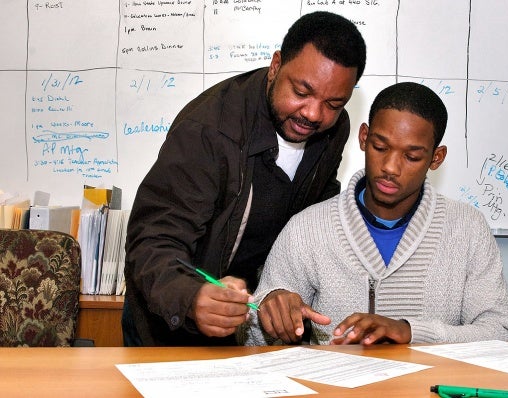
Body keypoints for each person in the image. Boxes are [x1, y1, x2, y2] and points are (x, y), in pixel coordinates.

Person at [123, 11, 367, 346]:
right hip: (170, 321)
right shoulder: (209, 131)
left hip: (249, 323)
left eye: (333, 103)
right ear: (276, 65)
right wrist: (193, 297)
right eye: (301, 91)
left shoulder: (334, 128)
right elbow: (153, 240)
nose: (313, 113)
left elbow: (310, 220)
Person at [239, 82, 508, 346]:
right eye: (380, 147)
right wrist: (268, 315)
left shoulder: (468, 229)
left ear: (436, 158)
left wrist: (410, 332)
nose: (390, 167)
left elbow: (501, 334)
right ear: (364, 137)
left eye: (411, 157)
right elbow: (252, 342)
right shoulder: (308, 229)